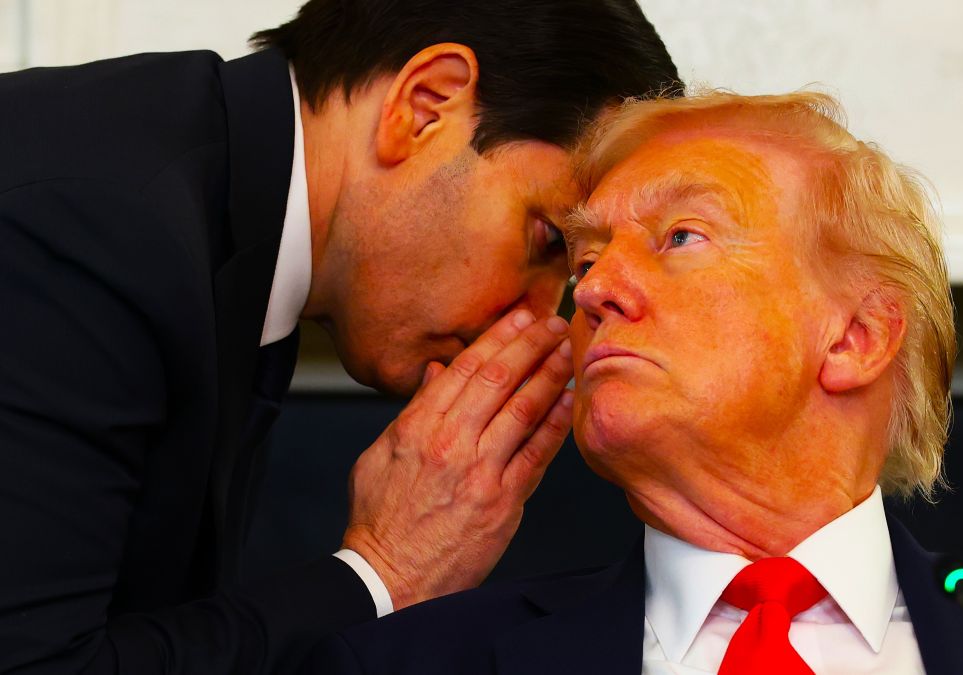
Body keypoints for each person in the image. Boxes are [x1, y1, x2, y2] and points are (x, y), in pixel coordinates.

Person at [306, 91, 963, 674]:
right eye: (586, 256)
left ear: (854, 336)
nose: (595, 290)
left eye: (681, 237)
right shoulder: (406, 662)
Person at [0, 1, 679, 672]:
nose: (532, 319)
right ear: (425, 105)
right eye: (545, 241)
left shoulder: (211, 213)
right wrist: (383, 571)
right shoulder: (93, 228)